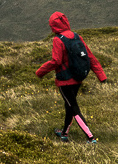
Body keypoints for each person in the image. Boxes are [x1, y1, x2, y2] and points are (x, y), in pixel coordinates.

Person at [35, 11, 107, 143]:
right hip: (78, 78)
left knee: (73, 108)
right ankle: (64, 134)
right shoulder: (76, 36)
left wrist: (40, 72)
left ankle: (90, 138)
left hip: (65, 81)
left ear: (53, 26)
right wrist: (101, 75)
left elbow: (56, 61)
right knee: (69, 106)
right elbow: (90, 56)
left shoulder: (58, 40)